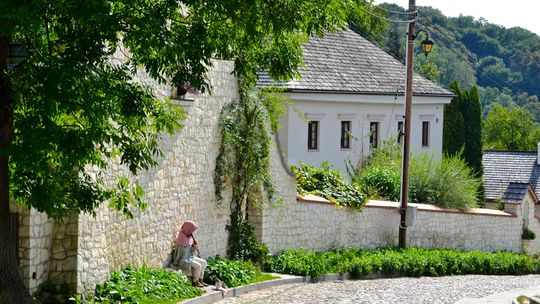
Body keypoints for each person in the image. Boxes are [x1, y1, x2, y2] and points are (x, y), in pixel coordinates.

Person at [172, 220, 208, 287]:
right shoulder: (182, 238)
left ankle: (201, 280)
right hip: (184, 259)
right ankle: (195, 281)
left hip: (189, 257)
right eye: (191, 230)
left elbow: (189, 252)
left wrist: (194, 247)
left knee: (204, 262)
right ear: (188, 228)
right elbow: (184, 254)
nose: (192, 232)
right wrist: (193, 248)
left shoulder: (187, 236)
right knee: (198, 266)